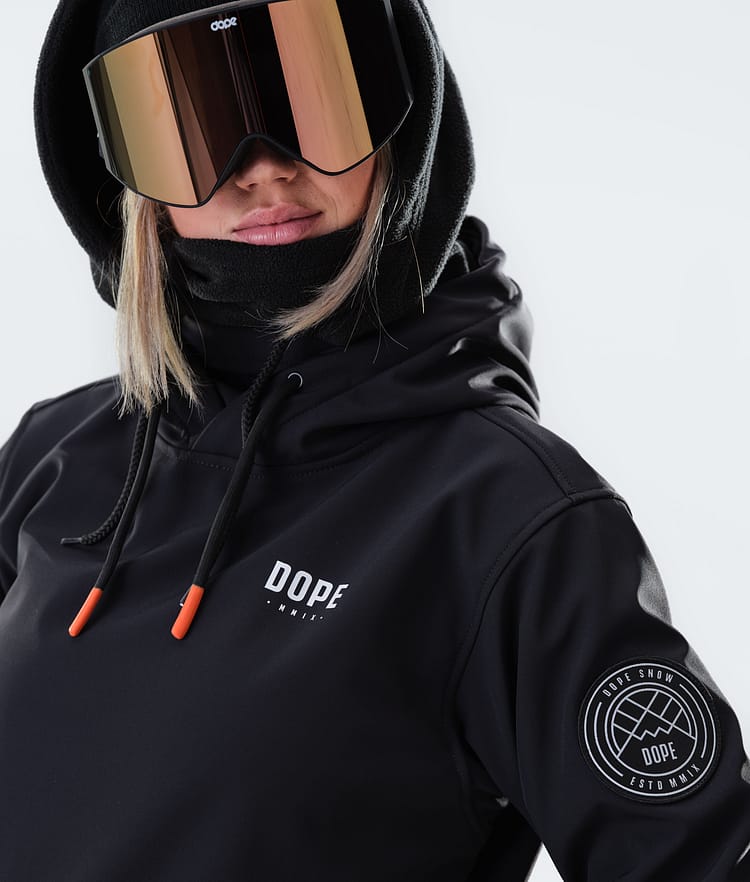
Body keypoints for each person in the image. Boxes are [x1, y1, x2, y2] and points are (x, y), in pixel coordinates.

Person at [0, 0, 748, 879]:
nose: (263, 168)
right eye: (196, 125)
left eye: (310, 97)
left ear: (405, 120)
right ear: (124, 180)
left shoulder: (505, 517)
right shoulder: (57, 456)